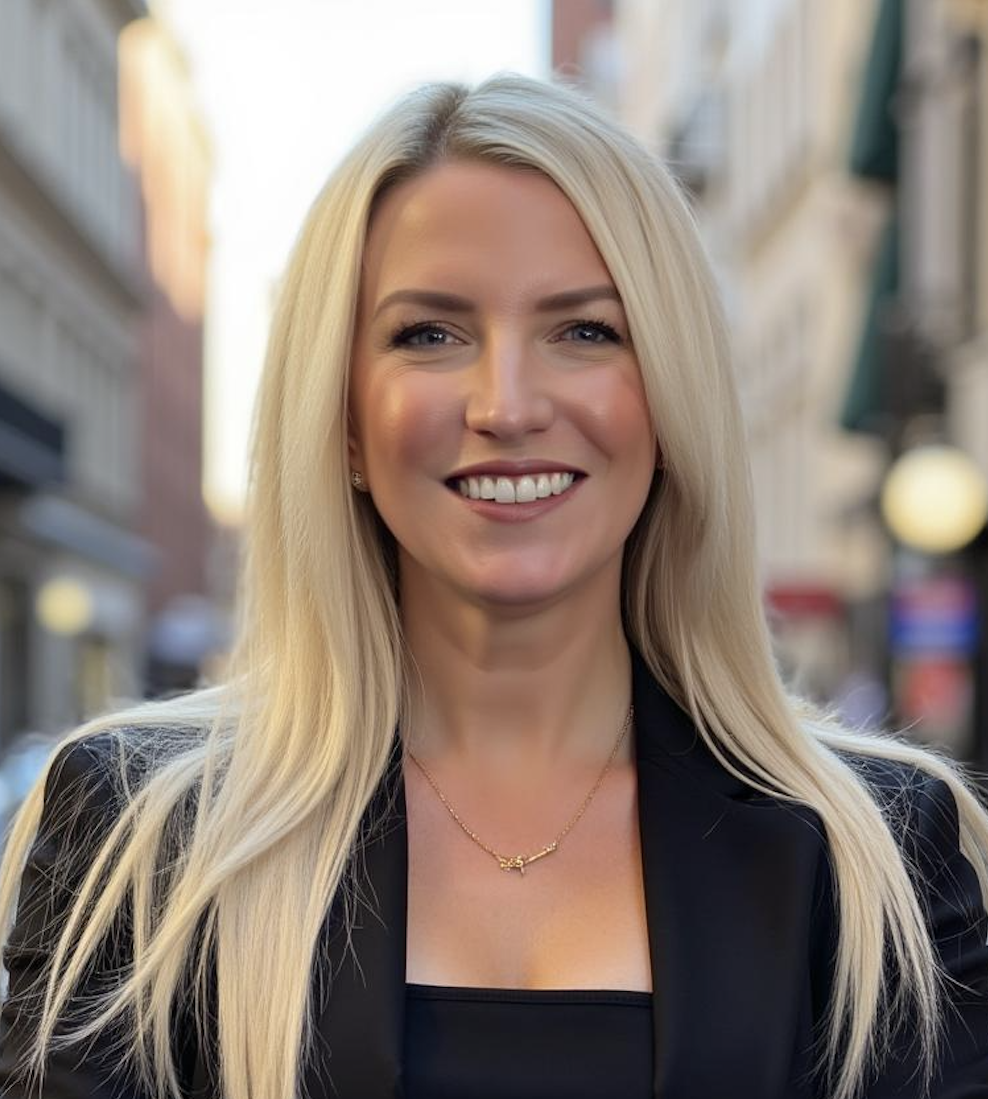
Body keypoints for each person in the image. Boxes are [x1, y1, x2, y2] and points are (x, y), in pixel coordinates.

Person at [1, 73, 987, 1099]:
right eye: (429, 335)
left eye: (585, 330)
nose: (507, 406)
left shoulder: (878, 862)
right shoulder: (142, 844)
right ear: (343, 419)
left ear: (669, 401)